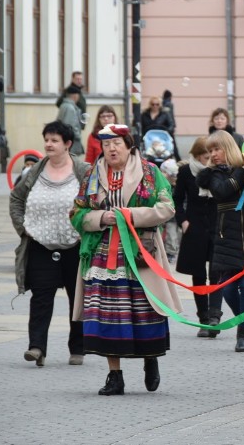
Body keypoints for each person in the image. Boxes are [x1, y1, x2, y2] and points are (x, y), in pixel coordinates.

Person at [70, 124, 182, 396]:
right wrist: (100, 218)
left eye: (116, 143)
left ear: (129, 145)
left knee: (144, 309)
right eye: (106, 144)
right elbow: (76, 213)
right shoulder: (92, 176)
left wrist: (130, 215)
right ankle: (114, 375)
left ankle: (150, 358)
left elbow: (167, 208)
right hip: (102, 253)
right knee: (108, 313)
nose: (111, 149)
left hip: (140, 253)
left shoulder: (150, 173)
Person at [10, 121, 90, 368]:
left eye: (55, 140)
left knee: (77, 299)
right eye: (46, 139)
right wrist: (24, 228)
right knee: (41, 297)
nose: (48, 144)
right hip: (41, 246)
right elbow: (16, 198)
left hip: (75, 246)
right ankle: (36, 348)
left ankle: (77, 349)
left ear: (67, 144)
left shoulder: (84, 171)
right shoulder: (34, 172)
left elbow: (96, 201)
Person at [196, 130, 244, 352]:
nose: (213, 154)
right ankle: (243, 320)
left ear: (228, 148)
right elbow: (222, 191)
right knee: (228, 288)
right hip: (225, 237)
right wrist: (243, 173)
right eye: (210, 151)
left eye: (217, 149)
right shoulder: (211, 174)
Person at [173, 137, 217, 337]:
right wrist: (182, 221)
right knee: (198, 274)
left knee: (217, 271)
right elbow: (177, 199)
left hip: (215, 226)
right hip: (194, 226)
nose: (209, 160)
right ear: (197, 155)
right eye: (205, 156)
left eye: (211, 156)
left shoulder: (218, 170)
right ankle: (204, 318)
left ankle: (215, 315)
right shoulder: (185, 171)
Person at [56, 85, 84, 155]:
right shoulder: (70, 108)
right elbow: (71, 126)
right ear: (75, 96)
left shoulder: (63, 105)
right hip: (71, 143)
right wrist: (78, 136)